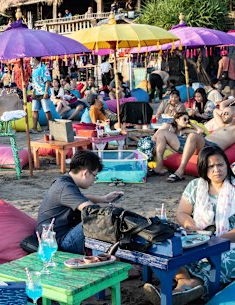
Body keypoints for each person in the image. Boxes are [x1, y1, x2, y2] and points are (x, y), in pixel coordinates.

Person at [144, 146, 235, 305]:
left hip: (229, 243)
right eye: (210, 166)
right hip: (198, 237)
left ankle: (179, 292)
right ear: (202, 168)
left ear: (227, 164)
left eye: (220, 165)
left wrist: (216, 240)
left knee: (216, 263)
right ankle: (184, 284)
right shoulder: (195, 186)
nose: (216, 170)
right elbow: (182, 213)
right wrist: (193, 228)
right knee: (172, 252)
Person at [36, 150, 124, 254]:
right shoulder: (65, 187)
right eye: (94, 176)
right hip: (58, 244)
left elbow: (80, 198)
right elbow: (92, 211)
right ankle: (103, 258)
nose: (94, 180)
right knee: (101, 219)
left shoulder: (64, 181)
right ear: (85, 173)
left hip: (57, 236)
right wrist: (112, 208)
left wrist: (104, 199)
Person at [152, 107, 235, 182]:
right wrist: (224, 112)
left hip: (211, 147)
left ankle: (180, 171)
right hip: (199, 143)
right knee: (162, 133)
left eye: (226, 113)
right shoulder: (222, 125)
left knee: (193, 136)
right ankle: (159, 167)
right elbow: (215, 111)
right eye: (223, 113)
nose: (223, 115)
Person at [30, 57, 53, 133]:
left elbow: (47, 81)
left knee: (46, 110)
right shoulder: (34, 69)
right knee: (34, 110)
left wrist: (46, 92)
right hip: (36, 92)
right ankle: (34, 128)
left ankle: (50, 127)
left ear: (35, 59)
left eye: (32, 58)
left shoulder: (43, 68)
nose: (31, 60)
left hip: (43, 91)